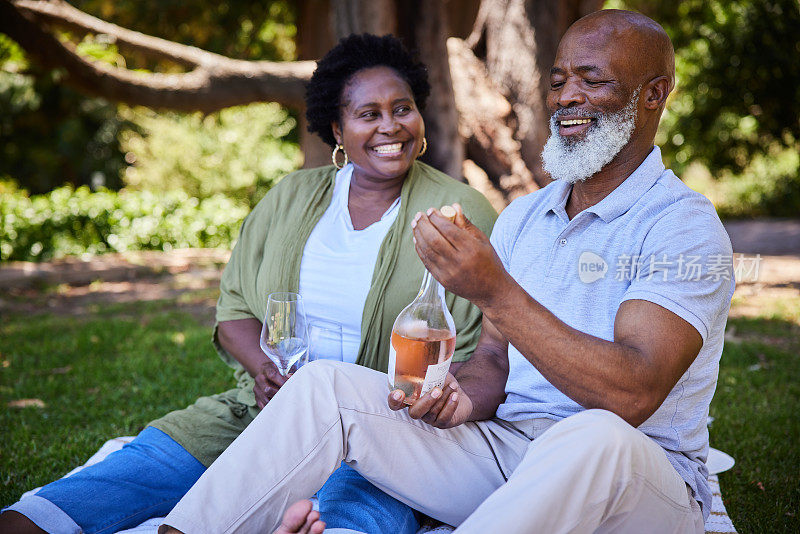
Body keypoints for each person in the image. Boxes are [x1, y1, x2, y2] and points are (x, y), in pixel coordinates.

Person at [157, 9, 735, 534]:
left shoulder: (682, 226)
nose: (567, 97)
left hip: (638, 481)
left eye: (593, 81)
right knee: (325, 385)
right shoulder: (529, 216)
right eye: (558, 80)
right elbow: (492, 362)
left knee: (596, 434)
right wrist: (460, 394)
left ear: (654, 94)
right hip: (506, 452)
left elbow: (631, 393)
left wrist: (495, 289)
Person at [0, 34, 497, 534]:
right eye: (369, 114)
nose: (390, 126)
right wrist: (265, 372)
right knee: (104, 488)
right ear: (337, 130)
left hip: (388, 434)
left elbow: (483, 346)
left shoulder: (458, 213)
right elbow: (235, 309)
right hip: (259, 414)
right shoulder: (290, 199)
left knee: (349, 519)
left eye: (402, 108)